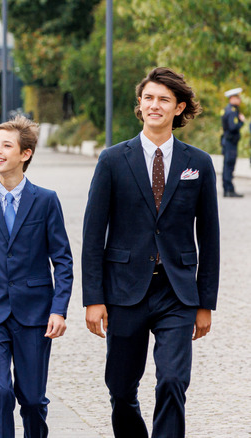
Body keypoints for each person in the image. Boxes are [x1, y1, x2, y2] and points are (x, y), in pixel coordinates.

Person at [83, 67, 219, 438]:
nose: (154, 105)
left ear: (179, 108)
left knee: (172, 381)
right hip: (124, 291)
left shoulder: (199, 164)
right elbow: (93, 234)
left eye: (164, 99)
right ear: (140, 106)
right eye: (148, 98)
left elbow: (210, 237)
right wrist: (93, 298)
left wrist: (205, 302)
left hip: (177, 293)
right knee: (121, 389)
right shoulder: (112, 159)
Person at [0, 116, 73, 438]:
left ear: (25, 153)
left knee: (33, 400)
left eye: (6, 146)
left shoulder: (46, 200)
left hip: (35, 313)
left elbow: (62, 260)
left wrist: (58, 310)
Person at [220, 88, 244, 197]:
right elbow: (233, 127)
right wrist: (241, 122)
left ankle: (227, 189)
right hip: (230, 142)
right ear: (232, 98)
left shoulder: (227, 109)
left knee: (227, 165)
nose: (239, 100)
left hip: (227, 141)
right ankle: (229, 189)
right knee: (229, 165)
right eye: (238, 98)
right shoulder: (232, 111)